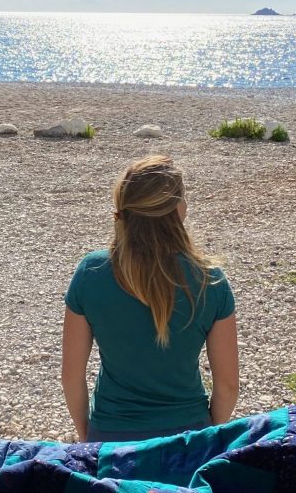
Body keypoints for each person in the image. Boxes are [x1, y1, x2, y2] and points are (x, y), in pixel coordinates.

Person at [61, 155, 239, 442]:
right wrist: (209, 437)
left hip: (110, 435)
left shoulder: (91, 272)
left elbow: (71, 376)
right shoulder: (210, 279)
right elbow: (228, 385)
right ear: (177, 209)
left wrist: (88, 438)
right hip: (188, 437)